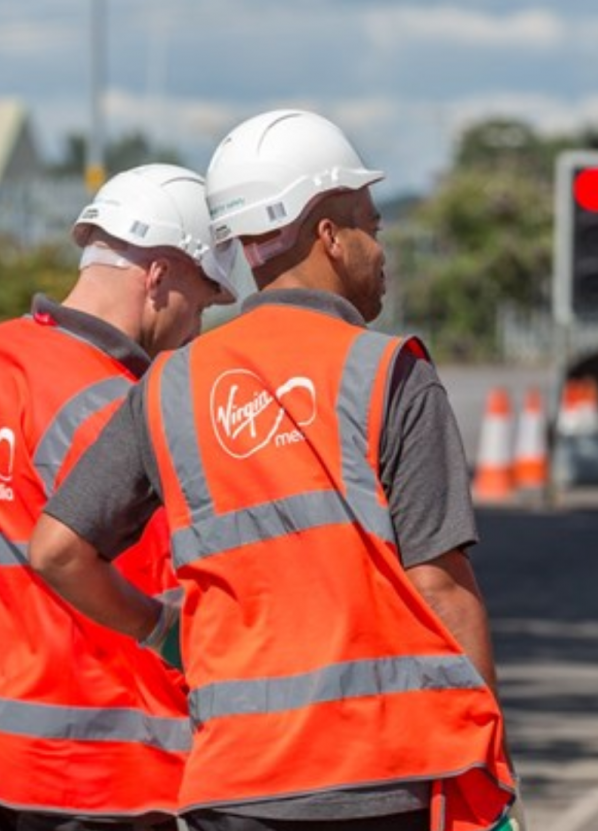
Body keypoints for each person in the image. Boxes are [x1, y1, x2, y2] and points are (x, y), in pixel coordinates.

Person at [30, 109, 520, 831]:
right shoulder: (390, 372)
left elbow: (56, 550)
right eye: (372, 228)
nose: (381, 250)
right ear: (330, 236)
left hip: (231, 783)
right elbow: (441, 587)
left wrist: (159, 630)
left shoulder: (169, 385)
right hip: (381, 779)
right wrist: (487, 775)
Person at [0, 164, 237, 831]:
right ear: (157, 276)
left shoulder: (7, 355)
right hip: (95, 769)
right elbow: (170, 600)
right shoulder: (116, 409)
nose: (197, 328)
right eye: (201, 302)